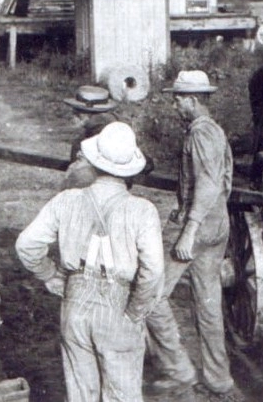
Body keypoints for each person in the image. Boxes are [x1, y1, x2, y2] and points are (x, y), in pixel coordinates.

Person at [15, 121, 164, 401]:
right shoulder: (142, 210)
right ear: (131, 170)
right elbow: (153, 272)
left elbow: (27, 243)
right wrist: (136, 311)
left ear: (94, 163)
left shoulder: (67, 200)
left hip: (75, 304)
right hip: (119, 305)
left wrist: (49, 274)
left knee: (81, 395)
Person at [146, 70, 240, 399]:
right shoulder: (214, 131)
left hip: (198, 227)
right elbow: (223, 182)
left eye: (178, 99)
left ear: (193, 100)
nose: (174, 104)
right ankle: (218, 379)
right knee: (208, 302)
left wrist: (189, 230)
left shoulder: (200, 133)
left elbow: (210, 183)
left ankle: (178, 370)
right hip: (218, 225)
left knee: (150, 294)